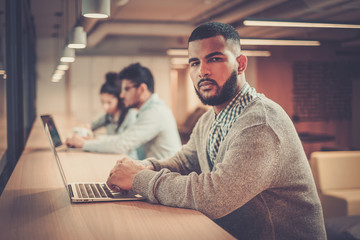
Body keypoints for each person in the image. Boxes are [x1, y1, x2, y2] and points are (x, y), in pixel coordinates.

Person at [106, 22, 327, 239]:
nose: (202, 71)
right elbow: (185, 162)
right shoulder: (208, 120)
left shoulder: (261, 124)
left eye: (214, 59)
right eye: (194, 63)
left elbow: (215, 196)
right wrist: (144, 166)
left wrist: (140, 179)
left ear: (240, 64)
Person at [67, 63, 182, 160]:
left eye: (127, 89)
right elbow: (122, 138)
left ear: (142, 89)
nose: (122, 95)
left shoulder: (155, 112)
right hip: (154, 172)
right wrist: (93, 139)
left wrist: (84, 144)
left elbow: (121, 144)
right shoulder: (145, 110)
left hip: (164, 176)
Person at [66, 72, 139, 159]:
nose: (105, 107)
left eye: (109, 102)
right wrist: (85, 129)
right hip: (112, 155)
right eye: (103, 102)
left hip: (127, 158)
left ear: (119, 99)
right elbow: (91, 125)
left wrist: (92, 140)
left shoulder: (131, 116)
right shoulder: (108, 115)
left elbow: (121, 143)